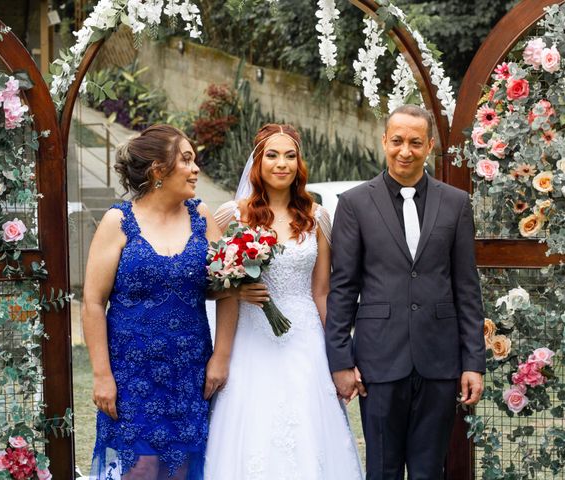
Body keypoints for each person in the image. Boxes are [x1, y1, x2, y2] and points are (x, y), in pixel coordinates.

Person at [326, 105, 486, 480]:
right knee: (382, 469)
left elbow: (466, 287)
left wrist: (473, 362)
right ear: (384, 141)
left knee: (430, 470)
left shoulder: (455, 203)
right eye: (397, 140)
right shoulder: (354, 204)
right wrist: (340, 361)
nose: (405, 150)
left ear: (429, 146)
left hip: (440, 359)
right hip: (379, 360)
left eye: (415, 142)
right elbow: (343, 288)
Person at [203, 124, 363, 479]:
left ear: (299, 163)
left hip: (304, 340)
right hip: (249, 340)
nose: (282, 164)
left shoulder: (317, 216)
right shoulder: (233, 214)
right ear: (257, 162)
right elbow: (205, 281)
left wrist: (342, 356)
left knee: (308, 430)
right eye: (272, 155)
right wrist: (235, 290)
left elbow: (322, 292)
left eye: (290, 156)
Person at [83, 125, 221, 479]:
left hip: (189, 372)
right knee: (140, 468)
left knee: (181, 468)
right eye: (186, 160)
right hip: (132, 375)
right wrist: (101, 375)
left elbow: (229, 290)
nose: (195, 169)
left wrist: (221, 357)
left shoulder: (201, 216)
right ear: (159, 170)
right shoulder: (118, 222)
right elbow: (93, 302)